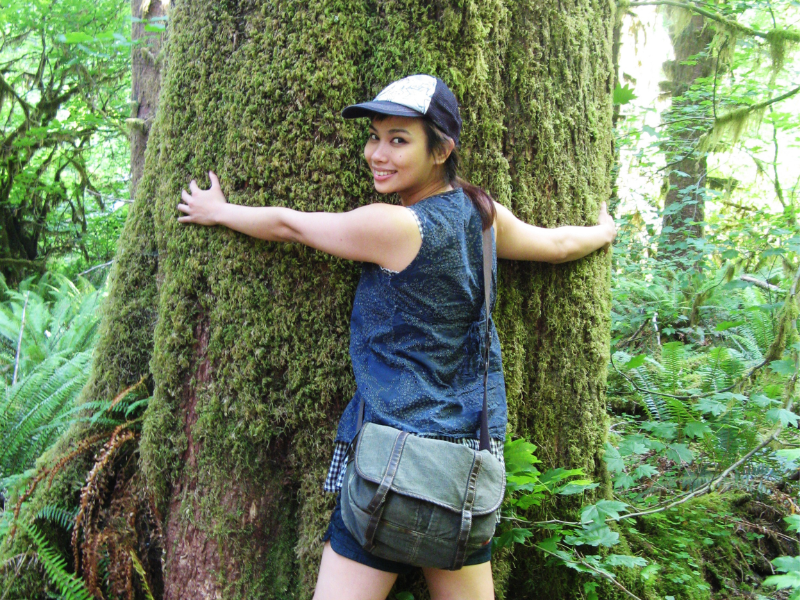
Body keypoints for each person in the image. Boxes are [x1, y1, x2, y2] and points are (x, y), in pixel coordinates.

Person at [177, 74, 616, 600]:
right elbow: (560, 244)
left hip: (394, 464)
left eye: (399, 139)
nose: (377, 153)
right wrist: (605, 232)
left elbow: (292, 226)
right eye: (374, 136)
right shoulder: (483, 215)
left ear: (442, 150)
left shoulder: (397, 226)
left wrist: (219, 211)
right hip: (465, 468)